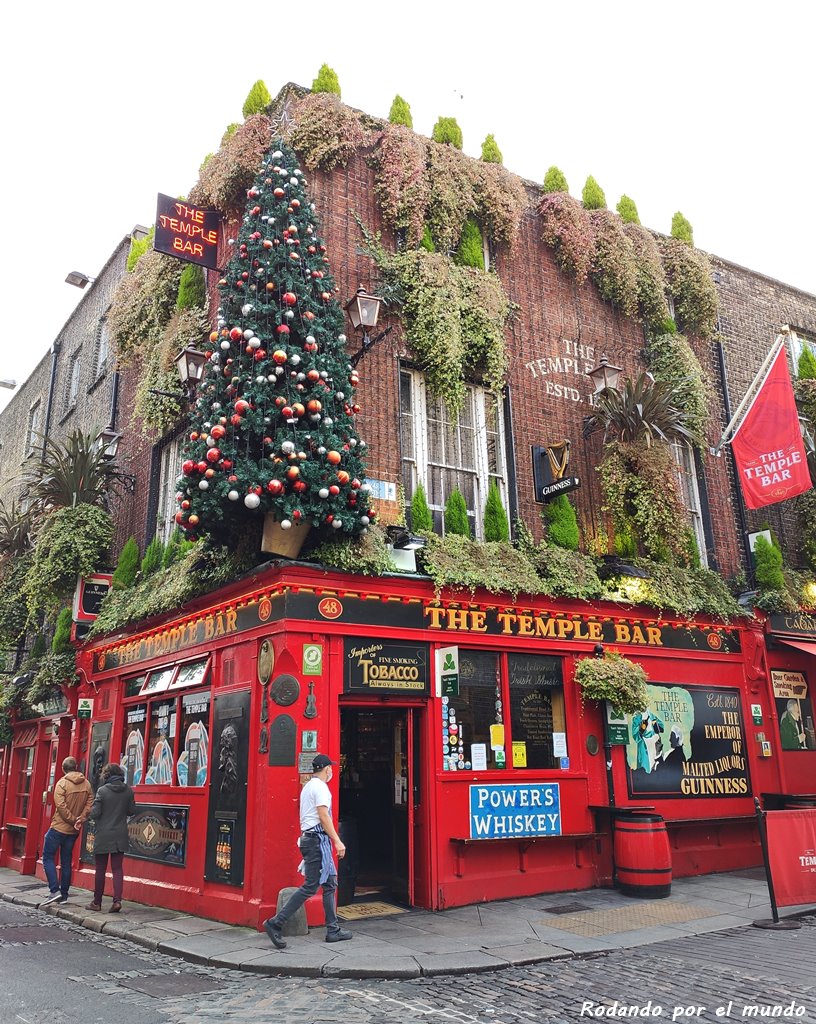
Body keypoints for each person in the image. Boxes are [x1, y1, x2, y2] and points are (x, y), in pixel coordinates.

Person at [263, 754, 352, 948]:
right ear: (326, 769)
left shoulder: (308, 786)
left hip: (312, 839)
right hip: (316, 841)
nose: (332, 771)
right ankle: (275, 923)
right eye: (331, 768)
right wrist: (337, 841)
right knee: (311, 885)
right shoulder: (320, 788)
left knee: (329, 883)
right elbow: (323, 816)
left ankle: (333, 929)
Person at [41, 757, 93, 906]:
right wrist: (80, 819)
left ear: (63, 769)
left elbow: (61, 807)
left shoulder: (62, 783)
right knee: (66, 861)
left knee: (47, 857)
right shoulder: (87, 783)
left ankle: (54, 891)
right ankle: (64, 896)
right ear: (76, 767)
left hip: (58, 827)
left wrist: (72, 819)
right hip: (73, 831)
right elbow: (90, 804)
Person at [86, 763, 136, 913]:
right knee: (117, 868)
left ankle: (97, 902)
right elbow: (131, 811)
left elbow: (95, 813)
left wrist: (88, 810)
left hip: (103, 834)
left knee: (100, 869)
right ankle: (117, 901)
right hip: (120, 834)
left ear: (106, 775)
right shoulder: (128, 790)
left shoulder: (102, 791)